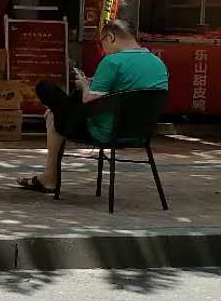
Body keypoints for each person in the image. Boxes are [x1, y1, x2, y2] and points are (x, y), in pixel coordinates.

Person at [16, 18, 169, 193]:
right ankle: (48, 177)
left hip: (103, 132)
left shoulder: (112, 62)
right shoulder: (158, 64)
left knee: (46, 91)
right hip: (140, 134)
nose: (103, 49)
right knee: (55, 112)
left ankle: (49, 178)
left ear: (110, 37)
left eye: (101, 42)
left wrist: (84, 85)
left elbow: (89, 100)